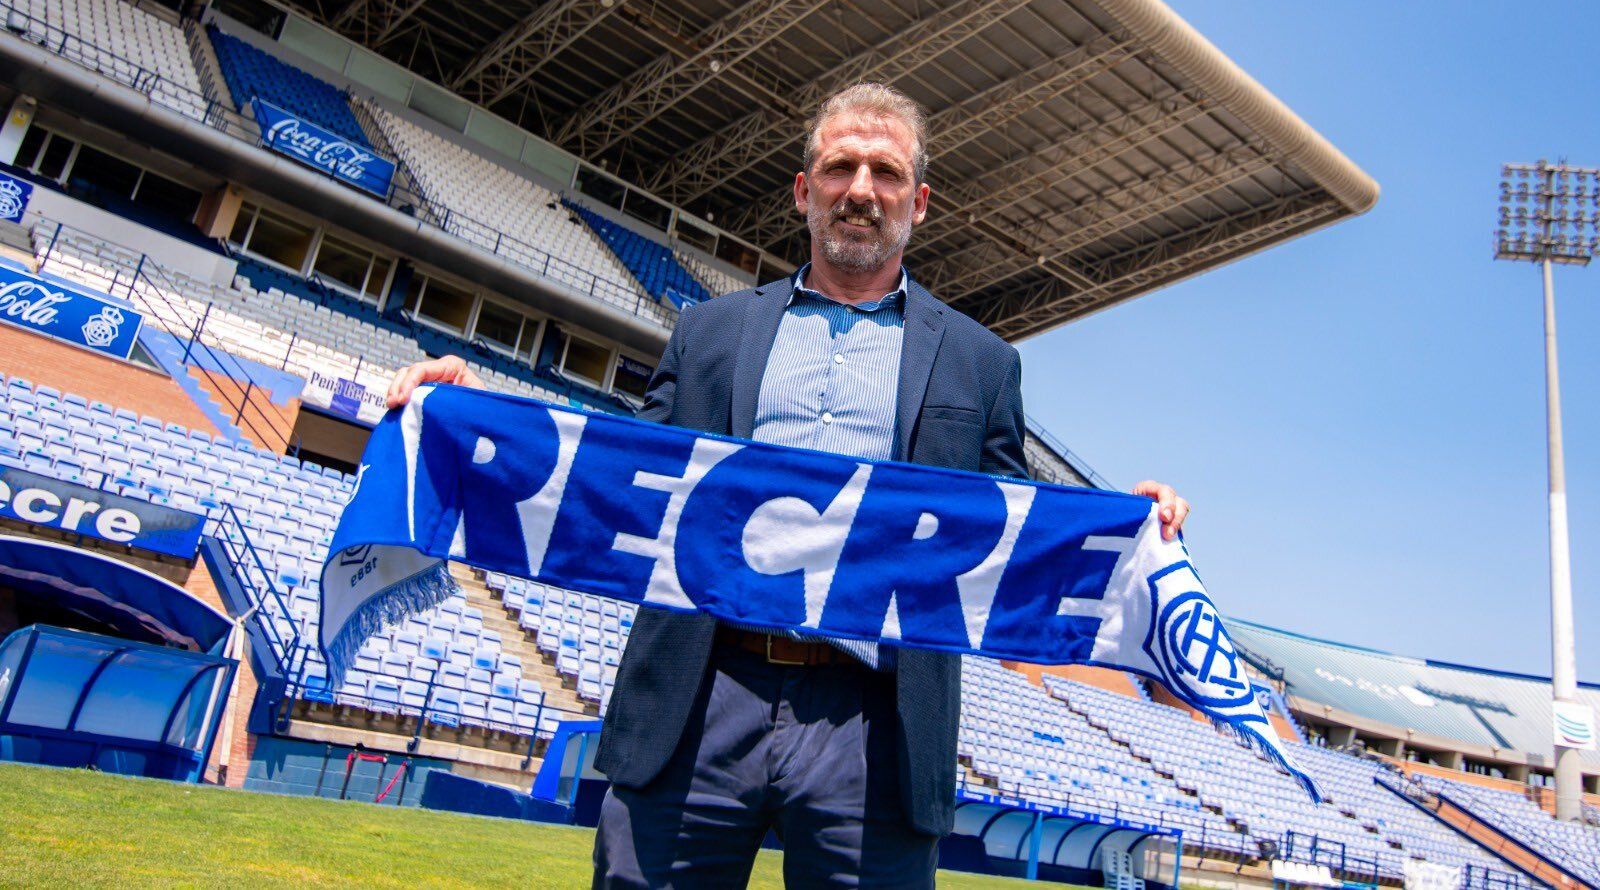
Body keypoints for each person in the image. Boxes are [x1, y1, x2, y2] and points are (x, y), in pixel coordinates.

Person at [386, 83, 1190, 888]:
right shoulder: (713, 330)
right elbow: (613, 465)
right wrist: (465, 405)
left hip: (875, 716)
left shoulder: (982, 363)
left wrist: (1124, 527)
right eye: (841, 168)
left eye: (886, 173)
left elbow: (1015, 533)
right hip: (700, 693)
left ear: (920, 203)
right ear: (806, 191)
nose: (862, 190)